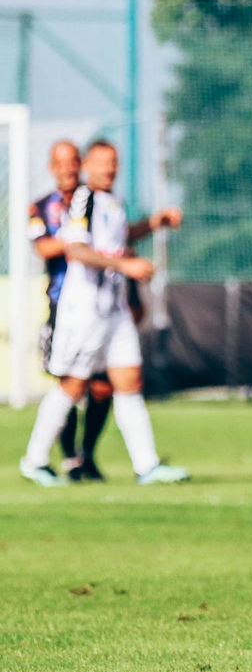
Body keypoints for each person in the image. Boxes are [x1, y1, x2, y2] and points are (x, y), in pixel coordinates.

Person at [19, 140, 188, 487]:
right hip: (84, 308)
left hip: (114, 307)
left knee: (129, 381)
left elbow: (119, 237)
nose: (109, 169)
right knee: (73, 384)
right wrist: (124, 266)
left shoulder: (112, 201)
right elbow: (76, 249)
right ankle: (35, 461)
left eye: (113, 162)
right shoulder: (83, 199)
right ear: (87, 166)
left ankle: (147, 466)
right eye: (102, 162)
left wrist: (154, 223)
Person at [27, 140, 114, 481]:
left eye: (73, 161)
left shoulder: (96, 199)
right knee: (70, 384)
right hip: (63, 305)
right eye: (60, 162)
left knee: (103, 386)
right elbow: (44, 247)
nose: (67, 168)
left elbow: (116, 245)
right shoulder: (42, 207)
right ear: (52, 167)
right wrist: (77, 238)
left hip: (102, 306)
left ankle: (87, 454)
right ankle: (65, 459)